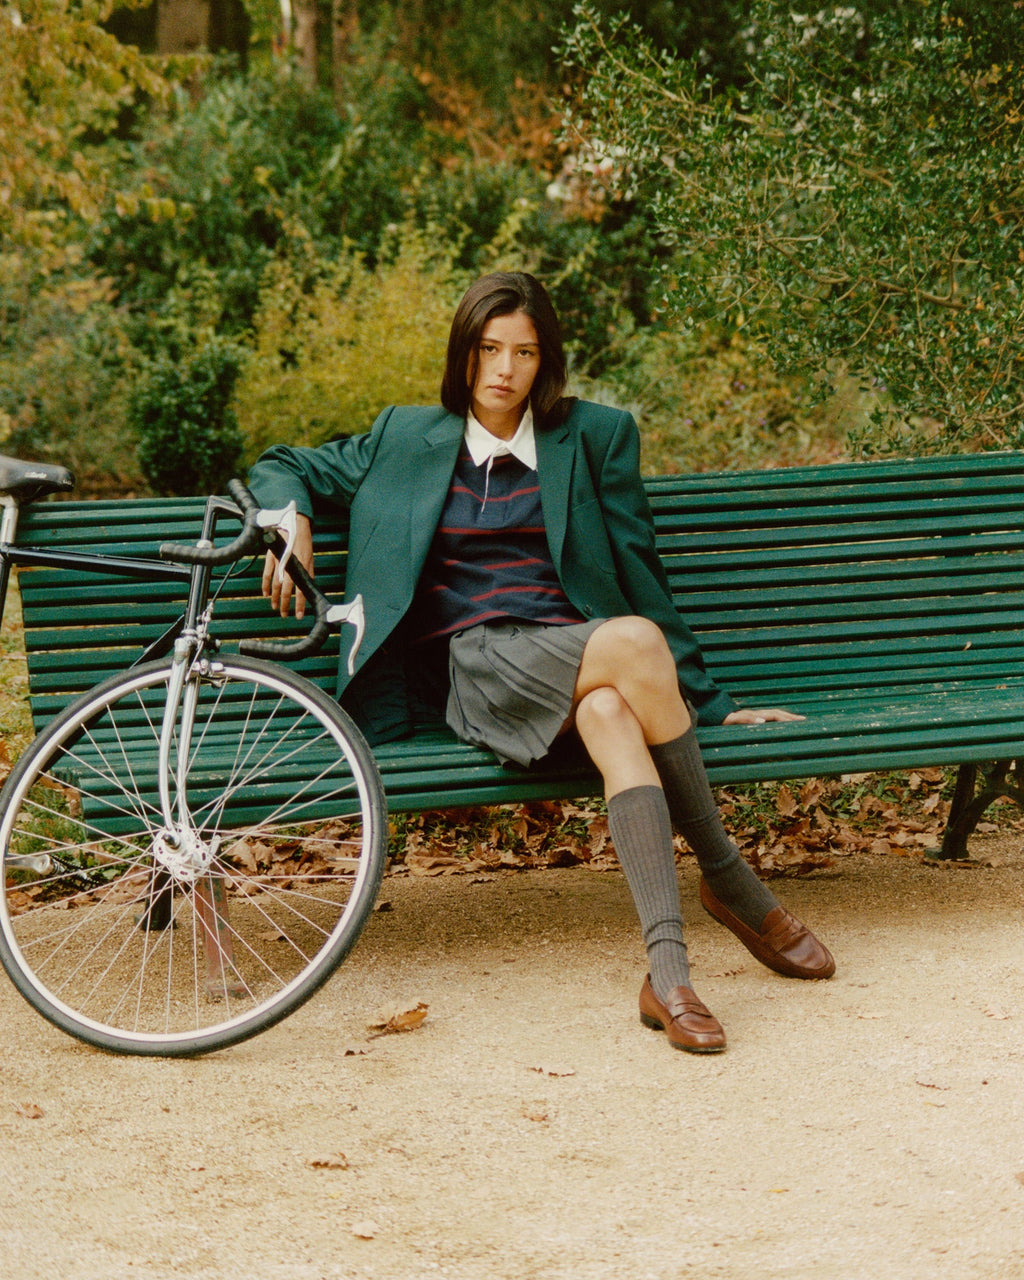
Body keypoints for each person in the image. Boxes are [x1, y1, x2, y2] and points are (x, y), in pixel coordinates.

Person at [248, 270, 834, 1055]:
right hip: (478, 670)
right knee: (631, 646)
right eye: (488, 349)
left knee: (611, 707)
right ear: (464, 353)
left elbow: (638, 570)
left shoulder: (594, 436)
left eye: (524, 352)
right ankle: (729, 878)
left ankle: (668, 975)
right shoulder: (403, 439)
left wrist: (713, 703)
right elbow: (283, 463)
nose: (504, 369)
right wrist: (289, 522)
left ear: (545, 360)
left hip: (577, 666)